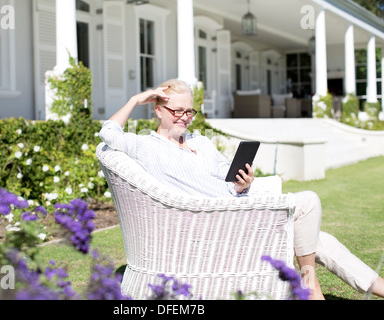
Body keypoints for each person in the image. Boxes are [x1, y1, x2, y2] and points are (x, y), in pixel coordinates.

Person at [99, 78, 384, 300]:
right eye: (177, 111)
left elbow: (226, 175)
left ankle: (374, 287)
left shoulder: (201, 142)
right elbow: (108, 133)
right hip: (214, 224)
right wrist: (137, 99)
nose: (184, 117)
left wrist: (242, 183)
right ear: (158, 110)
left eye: (190, 111)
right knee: (308, 201)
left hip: (237, 210)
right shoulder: (147, 147)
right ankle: (310, 287)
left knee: (317, 239)